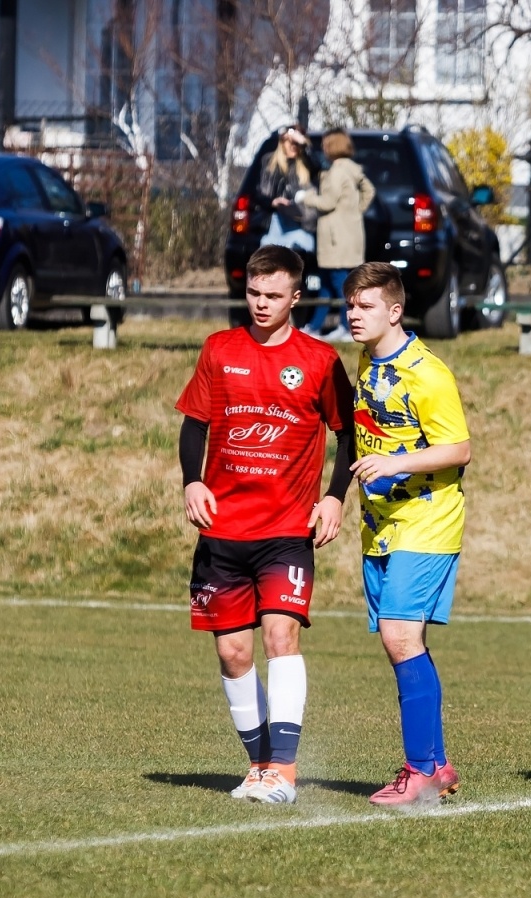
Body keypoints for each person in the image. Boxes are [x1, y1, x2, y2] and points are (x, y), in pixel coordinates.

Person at [175, 245, 355, 804]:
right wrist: (192, 481)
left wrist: (334, 496)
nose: (261, 303)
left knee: (280, 637)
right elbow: (195, 424)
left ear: (295, 297)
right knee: (233, 653)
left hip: (285, 532)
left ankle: (285, 770)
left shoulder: (320, 360)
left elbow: (348, 433)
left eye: (273, 295)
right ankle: (258, 767)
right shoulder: (219, 349)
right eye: (254, 293)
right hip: (222, 530)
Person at [342, 262, 473, 806]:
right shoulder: (365, 362)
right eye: (350, 305)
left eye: (366, 306)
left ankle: (417, 771)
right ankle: (437, 766)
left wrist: (397, 463)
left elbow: (459, 449)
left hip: (427, 521)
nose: (354, 314)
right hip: (380, 527)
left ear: (395, 311)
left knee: (399, 637)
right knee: (405, 641)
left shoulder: (427, 373)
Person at [296, 129, 375, 341]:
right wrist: (355, 211)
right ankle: (314, 327)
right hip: (350, 236)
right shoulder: (353, 169)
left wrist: (305, 197)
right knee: (327, 285)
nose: (323, 148)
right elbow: (369, 190)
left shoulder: (337, 172)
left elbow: (327, 202)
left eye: (325, 144)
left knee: (340, 286)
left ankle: (347, 327)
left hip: (335, 240)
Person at [259, 126, 318, 255]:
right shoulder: (269, 162)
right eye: (291, 142)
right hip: (274, 220)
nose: (294, 146)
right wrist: (272, 202)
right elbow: (257, 193)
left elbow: (317, 167)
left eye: (297, 144)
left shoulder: (306, 164)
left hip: (300, 220)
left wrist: (304, 143)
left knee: (302, 255)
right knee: (270, 259)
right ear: (282, 142)